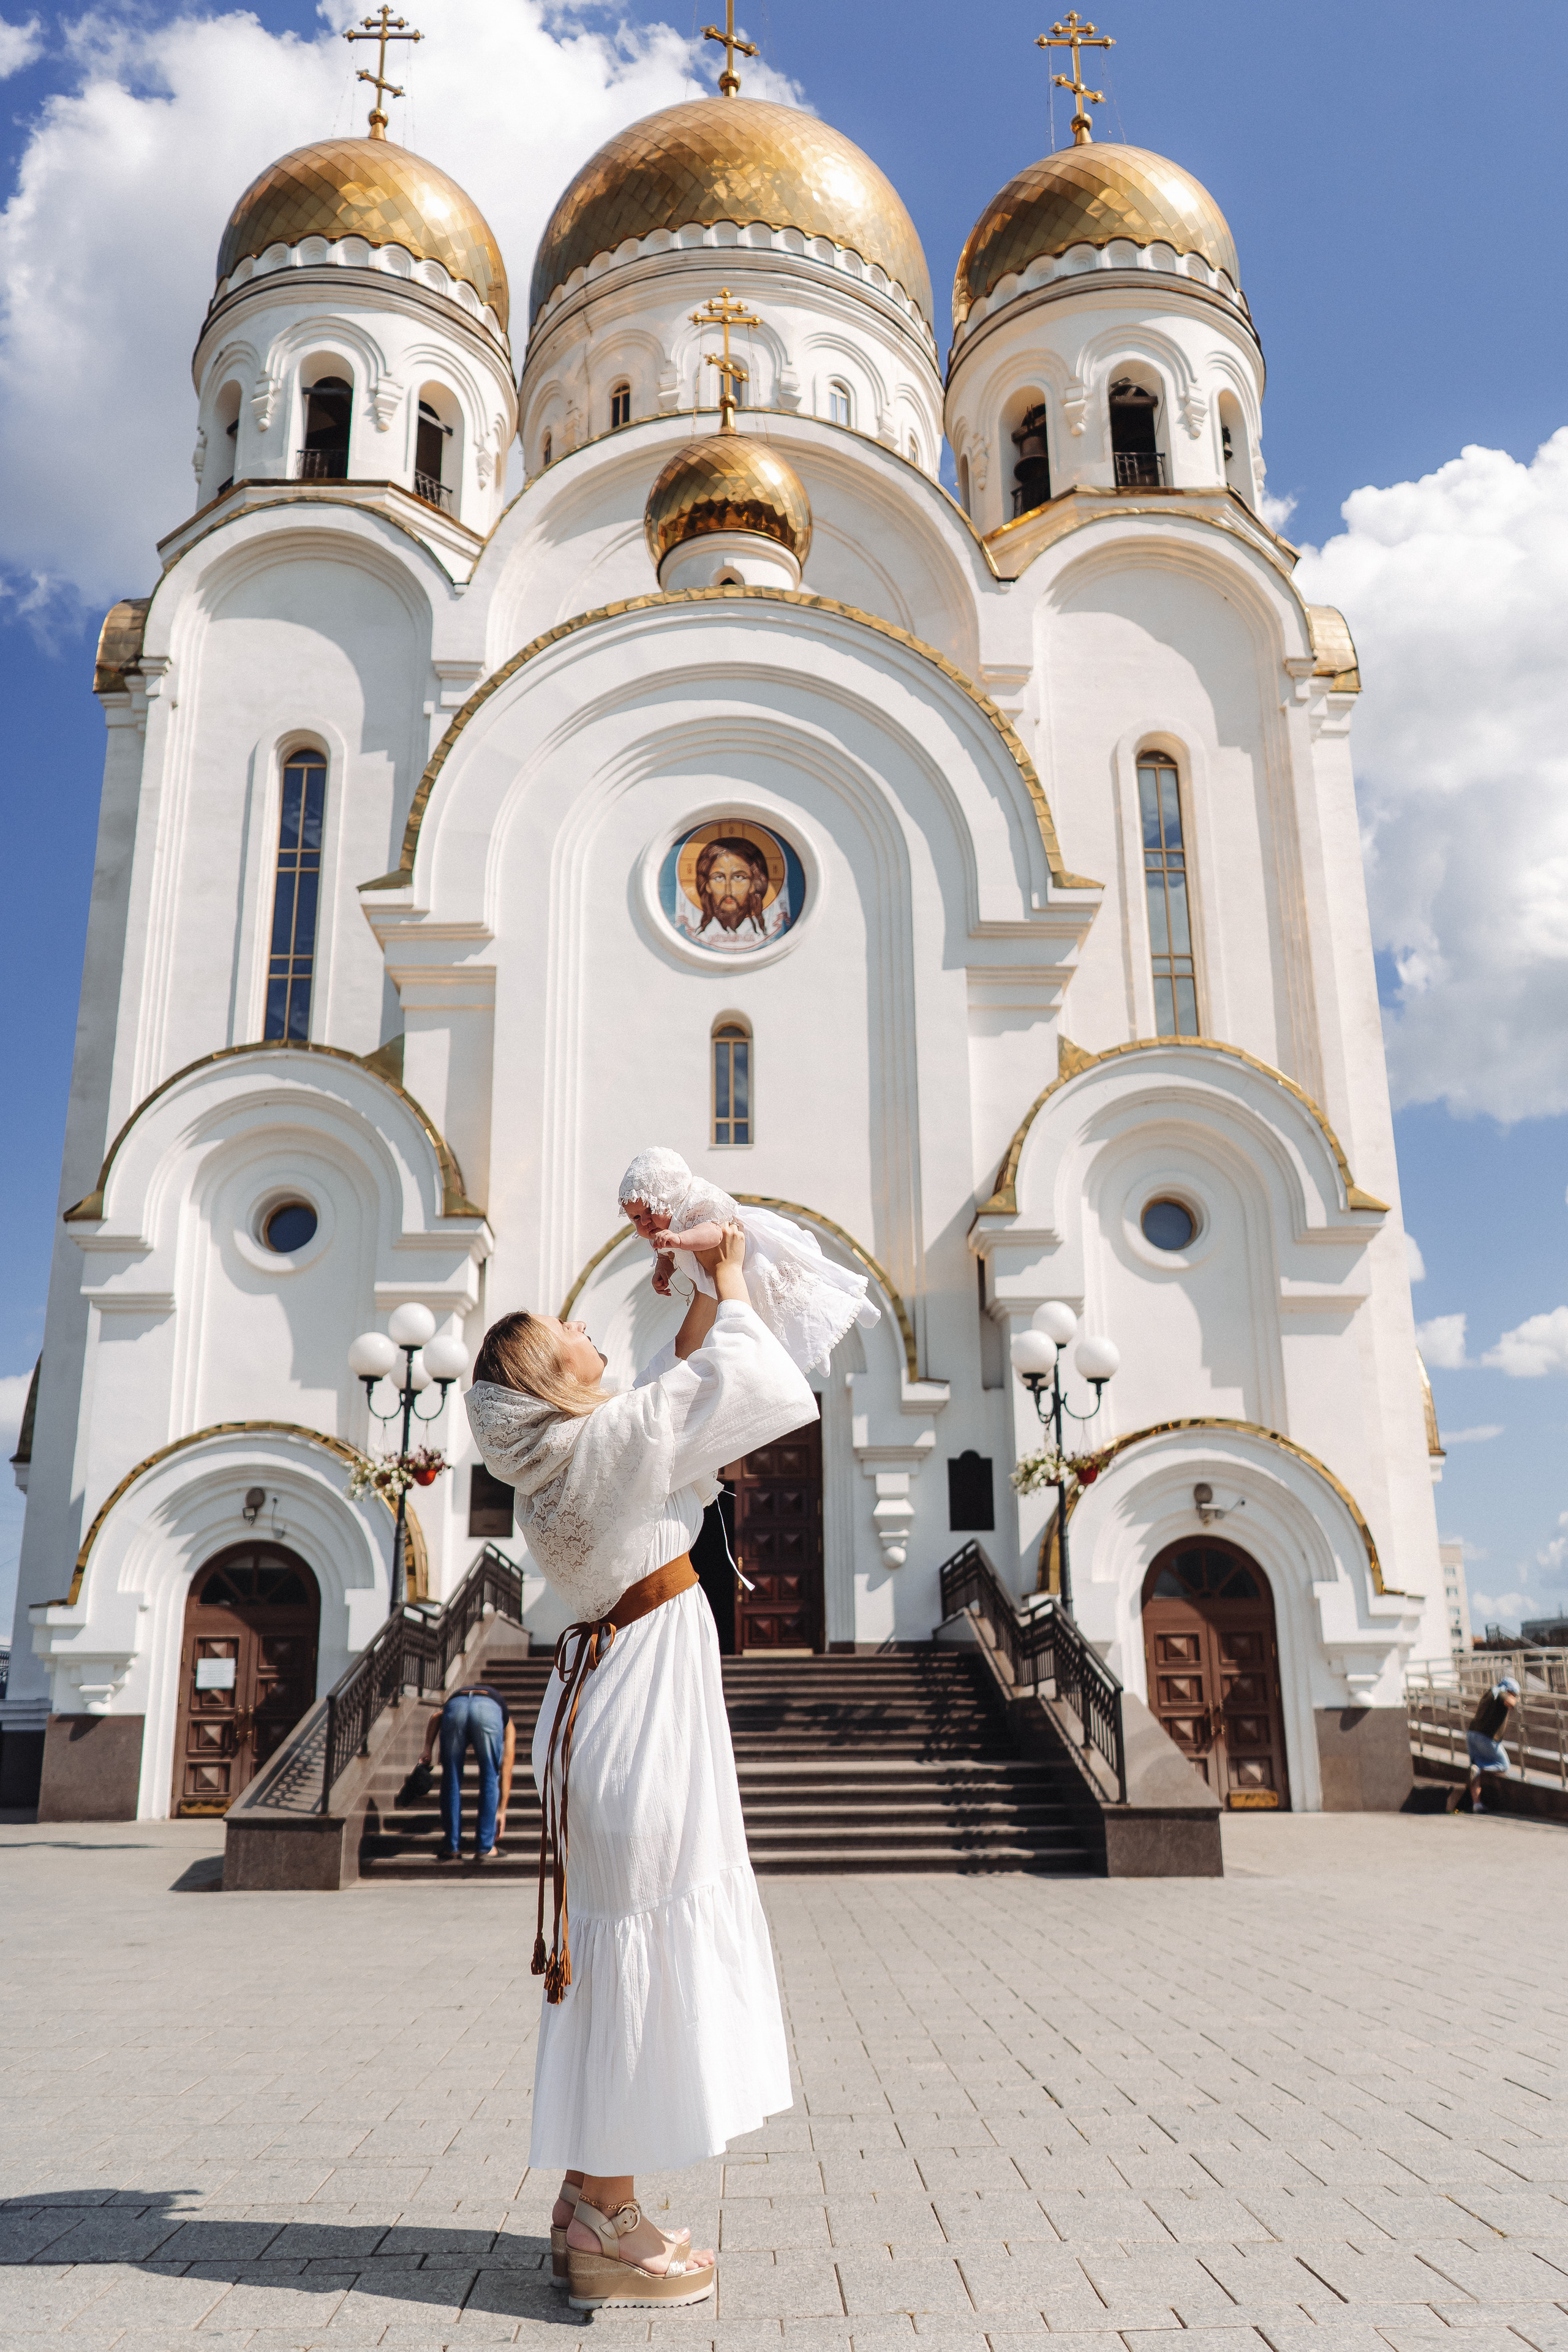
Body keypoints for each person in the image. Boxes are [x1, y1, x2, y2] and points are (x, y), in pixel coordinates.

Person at [464, 1223, 813, 2314]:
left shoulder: (566, 1462)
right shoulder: (615, 1443)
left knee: (612, 1956)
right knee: (628, 1962)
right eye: (565, 1331)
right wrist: (730, 1276)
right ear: (553, 1379)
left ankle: (586, 2199)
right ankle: (611, 2226)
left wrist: (693, 1302)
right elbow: (746, 1382)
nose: (583, 1326)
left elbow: (677, 1395)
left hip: (601, 1720)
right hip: (643, 1728)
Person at [618, 1144, 879, 1375]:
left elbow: (713, 1234)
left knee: (791, 1298)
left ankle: (833, 1325)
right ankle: (805, 1353)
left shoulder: (695, 1203)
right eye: (636, 1219)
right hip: (727, 1277)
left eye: (650, 1210)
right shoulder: (663, 1232)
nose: (646, 1223)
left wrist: (682, 1240)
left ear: (669, 1196)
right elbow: (664, 1252)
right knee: (756, 1320)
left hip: (753, 1258)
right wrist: (663, 1270)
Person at [413, 1683, 515, 1862]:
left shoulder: (461, 1696)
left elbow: (437, 1716)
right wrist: (501, 1810)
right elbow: (506, 1768)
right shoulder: (505, 1718)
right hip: (488, 1710)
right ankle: (485, 1847)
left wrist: (427, 1749)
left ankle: (452, 1847)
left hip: (456, 1705)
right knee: (490, 1776)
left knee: (451, 1777)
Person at [1452, 1673, 1520, 1811]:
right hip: (1487, 1738)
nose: (1515, 1697)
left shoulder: (1490, 1693)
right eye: (1514, 1694)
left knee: (1475, 1768)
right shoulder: (1502, 1694)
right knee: (1503, 1765)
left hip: (1472, 1734)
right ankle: (1480, 1769)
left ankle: (1477, 1804)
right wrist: (1514, 1700)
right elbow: (1510, 1702)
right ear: (1509, 1691)